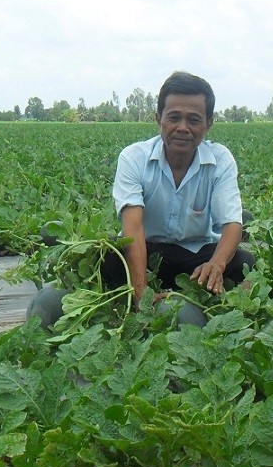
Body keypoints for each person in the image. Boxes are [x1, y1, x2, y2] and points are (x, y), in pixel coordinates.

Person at [104, 71, 254, 303]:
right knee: (107, 256)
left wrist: (216, 264)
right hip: (147, 250)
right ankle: (144, 287)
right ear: (159, 119)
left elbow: (233, 223)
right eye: (174, 117)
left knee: (244, 263)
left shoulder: (220, 160)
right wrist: (141, 290)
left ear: (209, 124)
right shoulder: (134, 158)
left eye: (194, 120)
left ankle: (202, 285)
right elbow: (132, 227)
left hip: (197, 256)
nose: (183, 127)